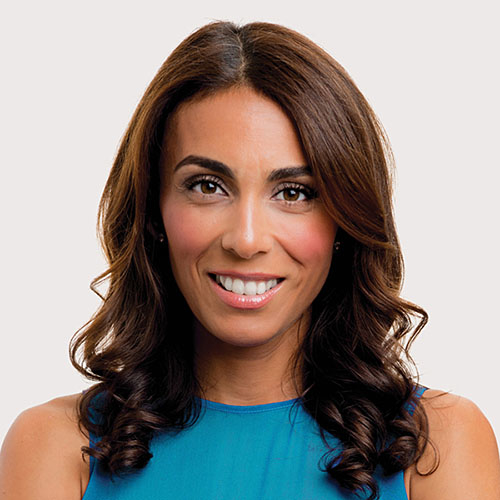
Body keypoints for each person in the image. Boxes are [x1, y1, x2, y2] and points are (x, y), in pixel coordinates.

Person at [0, 20, 499, 500]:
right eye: (208, 186)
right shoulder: (56, 448)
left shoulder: (436, 447)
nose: (246, 239)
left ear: (344, 219)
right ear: (154, 211)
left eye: (294, 192)